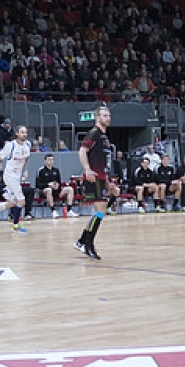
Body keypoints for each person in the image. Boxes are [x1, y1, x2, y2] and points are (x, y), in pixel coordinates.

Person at [73, 105, 115, 260]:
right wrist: (87, 169)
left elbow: (103, 161)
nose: (108, 118)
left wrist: (107, 180)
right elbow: (82, 151)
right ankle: (88, 244)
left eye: (109, 115)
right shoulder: (94, 133)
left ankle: (82, 241)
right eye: (104, 115)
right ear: (98, 117)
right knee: (100, 211)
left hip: (101, 178)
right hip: (94, 178)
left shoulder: (104, 137)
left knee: (100, 212)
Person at [0, 124, 32, 232]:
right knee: (21, 201)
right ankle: (15, 225)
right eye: (22, 132)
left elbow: (27, 158)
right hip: (10, 175)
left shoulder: (28, 144)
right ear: (17, 133)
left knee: (12, 203)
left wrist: (26, 170)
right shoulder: (11, 145)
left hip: (17, 176)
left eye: (26, 132)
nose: (24, 134)